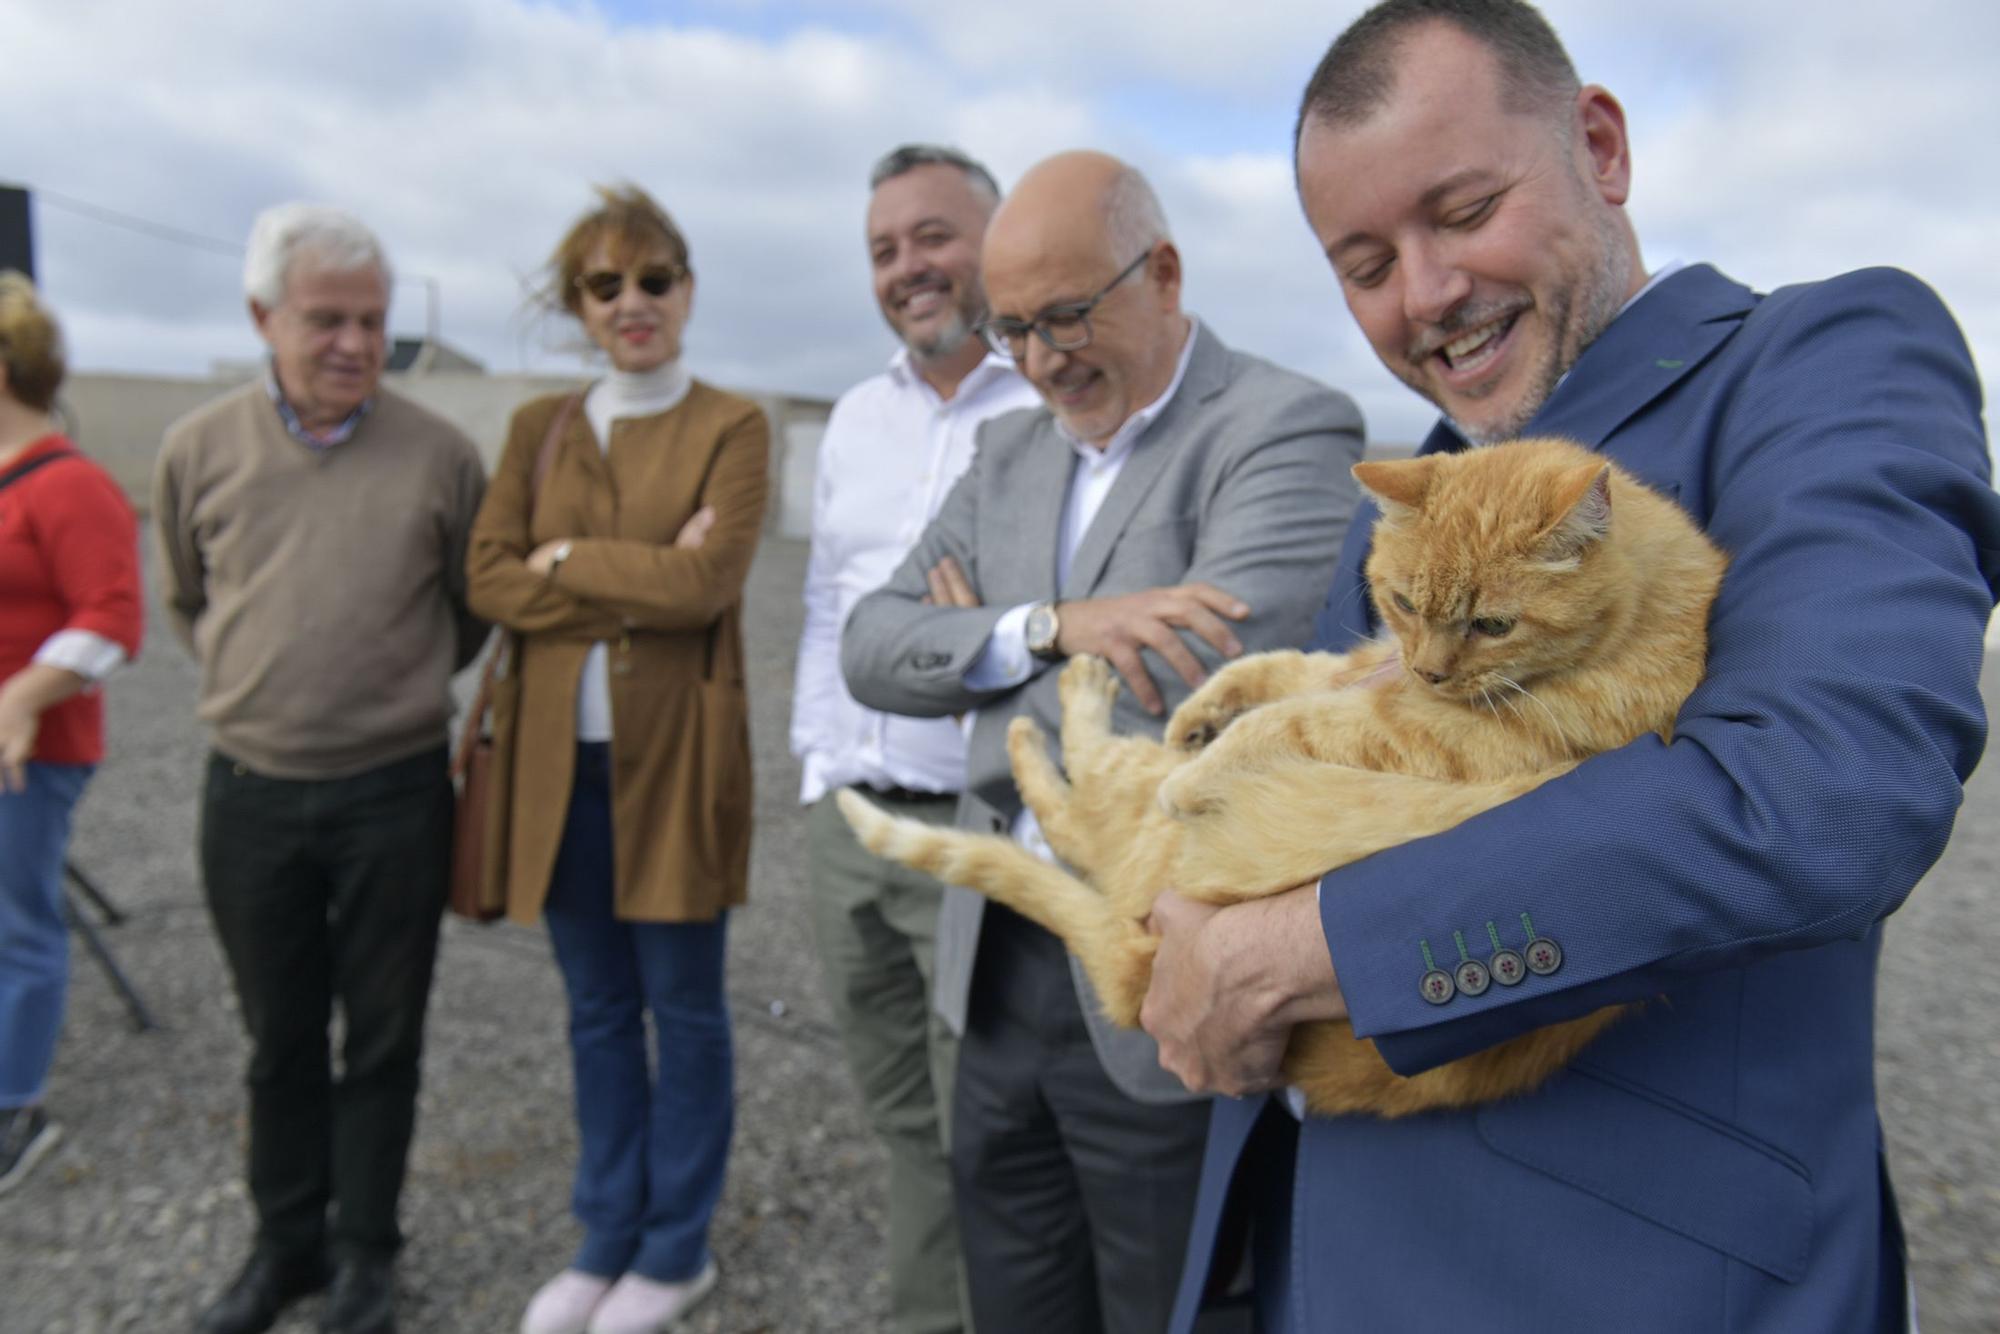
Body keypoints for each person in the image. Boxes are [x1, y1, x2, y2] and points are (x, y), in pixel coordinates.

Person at [1142, 4, 2000, 1332]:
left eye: (1464, 208)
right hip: (1303, 1250)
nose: (1423, 295)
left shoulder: (1819, 360)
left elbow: (1833, 782)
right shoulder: (1415, 486)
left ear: (1599, 145)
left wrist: (1311, 947)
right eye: (1364, 263)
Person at [842, 150, 1363, 1334]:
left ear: (1164, 272)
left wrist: (969, 645)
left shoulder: (1284, 426)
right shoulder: (1008, 450)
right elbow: (869, 646)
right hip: (997, 949)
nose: (1037, 361)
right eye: (1010, 328)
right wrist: (1052, 627)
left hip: (1157, 960)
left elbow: (1206, 703)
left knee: (1166, 1299)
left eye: (1066, 315)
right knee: (1011, 1288)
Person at [154, 205, 488, 1334]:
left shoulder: (442, 453)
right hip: (247, 795)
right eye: (325, 319)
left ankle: (365, 1257)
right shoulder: (196, 448)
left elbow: (467, 609)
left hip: (394, 794)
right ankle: (283, 1246)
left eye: (373, 320)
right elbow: (189, 598)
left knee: (383, 1038)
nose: (353, 342)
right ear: (263, 316)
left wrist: (375, 698)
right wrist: (271, 696)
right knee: (278, 1039)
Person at [467, 185, 768, 1334]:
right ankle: (604, 1230)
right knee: (595, 1007)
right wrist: (637, 565)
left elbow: (709, 584)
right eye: (606, 285)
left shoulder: (730, 424)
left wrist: (566, 559)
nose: (632, 301)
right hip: (551, 768)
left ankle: (674, 1245)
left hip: (677, 761)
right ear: (577, 305)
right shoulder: (535, 426)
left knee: (683, 1008)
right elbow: (486, 577)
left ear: (686, 288)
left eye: (655, 278)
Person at [790, 143, 1039, 1334]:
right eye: (884, 249)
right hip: (847, 817)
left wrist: (978, 633)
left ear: (994, 246)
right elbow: (825, 611)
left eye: (934, 236)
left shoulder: (1050, 410)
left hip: (972, 831)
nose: (908, 268)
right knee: (897, 1116)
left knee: (986, 1134)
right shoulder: (853, 417)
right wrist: (812, 766)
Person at [0, 272, 143, 1198]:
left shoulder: (69, 484)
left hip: (27, 755)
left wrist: (23, 695)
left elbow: (112, 618)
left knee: (16, 925)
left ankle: (17, 1105)